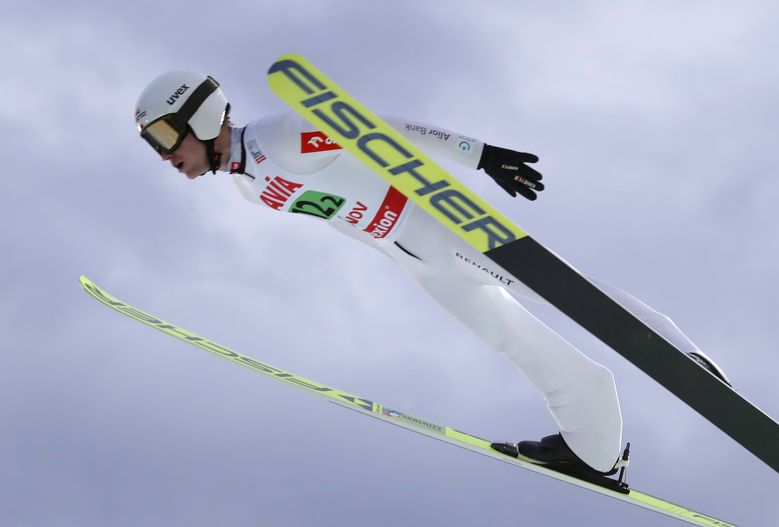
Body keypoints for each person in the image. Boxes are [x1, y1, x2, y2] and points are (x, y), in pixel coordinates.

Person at [134, 71, 730, 476]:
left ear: (200, 116)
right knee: (520, 346)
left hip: (447, 228)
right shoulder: (246, 185)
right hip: (416, 261)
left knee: (565, 293)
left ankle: (682, 356)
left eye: (165, 135)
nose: (165, 155)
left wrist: (480, 155)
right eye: (153, 145)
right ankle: (596, 450)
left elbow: (375, 129)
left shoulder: (278, 138)